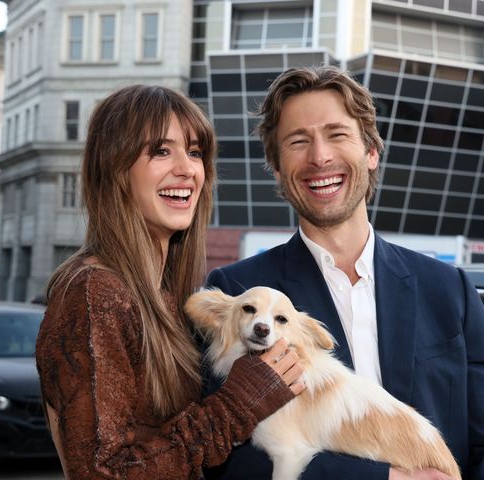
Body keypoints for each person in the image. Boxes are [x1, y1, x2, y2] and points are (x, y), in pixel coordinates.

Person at [204, 66, 484, 480]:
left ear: (371, 152)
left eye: (337, 134)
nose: (320, 156)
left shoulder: (448, 289)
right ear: (275, 167)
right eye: (298, 141)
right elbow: (223, 455)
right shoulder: (239, 295)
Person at [35, 84, 305, 479]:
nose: (188, 169)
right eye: (161, 151)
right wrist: (238, 404)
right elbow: (103, 472)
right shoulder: (96, 292)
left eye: (195, 153)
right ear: (113, 170)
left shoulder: (160, 294)